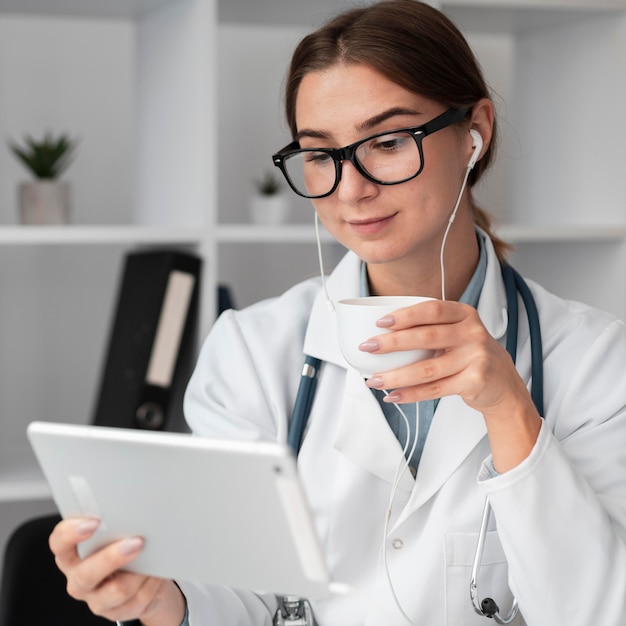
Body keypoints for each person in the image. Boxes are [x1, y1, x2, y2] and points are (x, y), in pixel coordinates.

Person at [49, 1, 626, 624]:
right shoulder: (252, 350)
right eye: (321, 155)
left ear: (475, 131)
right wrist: (165, 601)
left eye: (386, 142)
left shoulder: (593, 362)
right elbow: (239, 593)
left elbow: (593, 610)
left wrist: (511, 410)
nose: (352, 189)